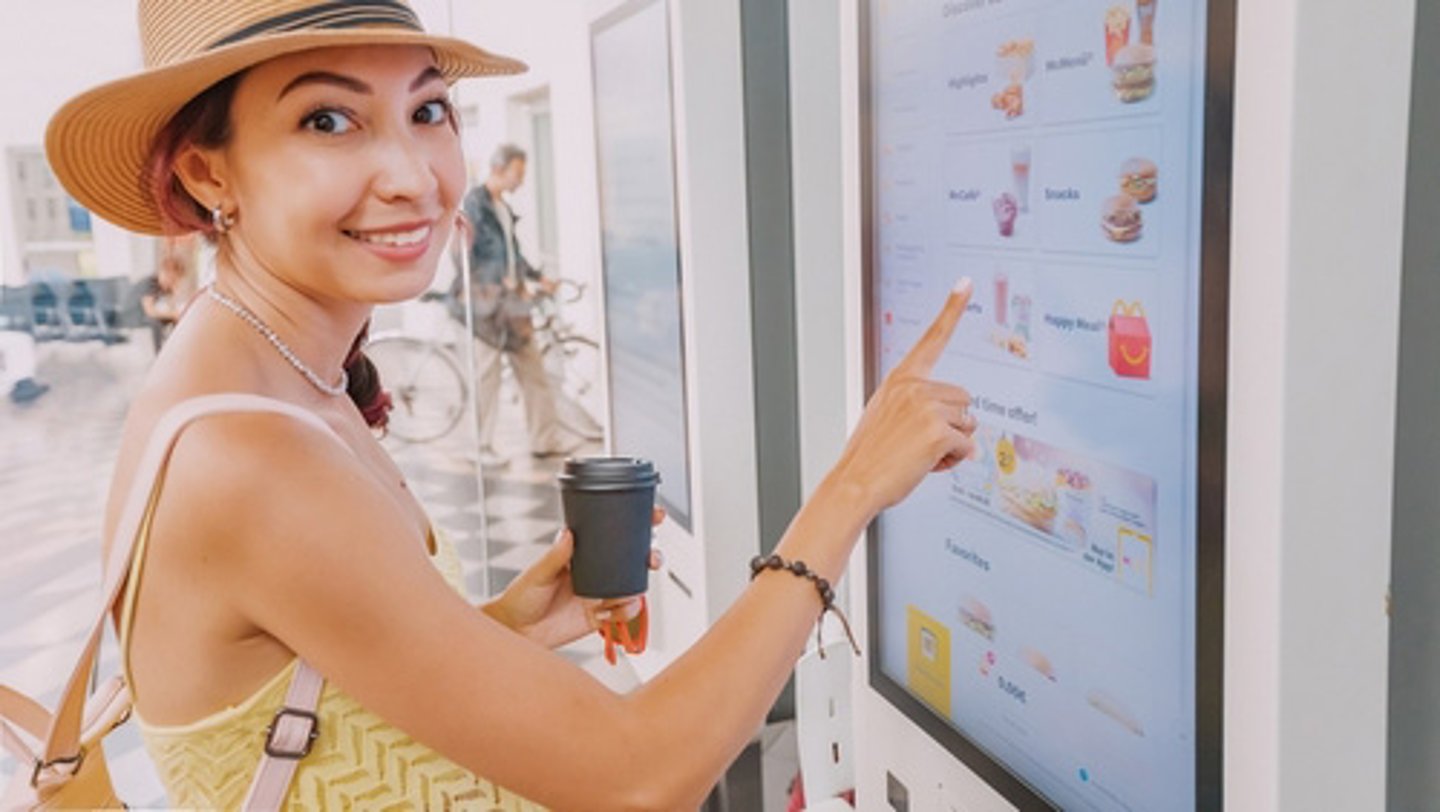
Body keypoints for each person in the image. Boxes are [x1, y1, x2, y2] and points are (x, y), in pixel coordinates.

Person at [45, 2, 978, 808]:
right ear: (209, 175)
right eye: (328, 121)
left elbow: (298, 692)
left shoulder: (266, 374)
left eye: (428, 109)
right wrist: (853, 485)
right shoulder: (251, 455)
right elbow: (642, 776)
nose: (412, 174)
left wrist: (495, 634)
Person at [452, 144, 589, 464]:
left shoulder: (501, 206)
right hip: (487, 307)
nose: (522, 181)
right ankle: (480, 446)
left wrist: (537, 277)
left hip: (511, 306)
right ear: (499, 170)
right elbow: (466, 254)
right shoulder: (475, 204)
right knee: (488, 377)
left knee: (533, 371)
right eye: (519, 173)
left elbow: (513, 253)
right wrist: (499, 281)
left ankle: (545, 440)